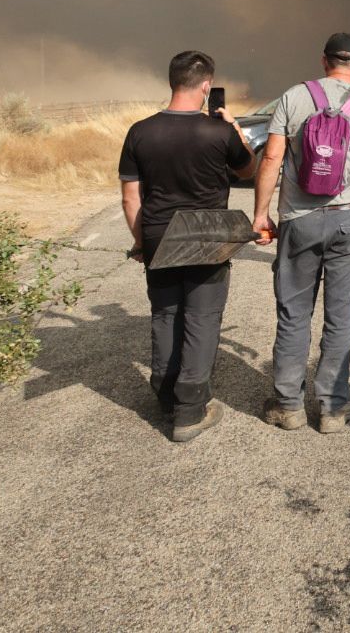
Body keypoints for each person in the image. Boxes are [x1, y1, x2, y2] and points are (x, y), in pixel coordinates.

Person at [252, 32, 350, 434]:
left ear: (324, 61)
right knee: (341, 318)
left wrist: (260, 214)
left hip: (300, 220)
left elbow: (271, 157)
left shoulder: (295, 97)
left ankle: (288, 406)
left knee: (293, 314)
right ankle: (333, 409)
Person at [118, 50, 255, 443]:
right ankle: (191, 409)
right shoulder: (218, 132)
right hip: (206, 236)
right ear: (207, 86)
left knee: (165, 314)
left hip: (160, 235)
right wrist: (236, 128)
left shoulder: (139, 131)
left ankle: (164, 394)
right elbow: (248, 167)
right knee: (202, 317)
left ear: (172, 82)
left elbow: (131, 199)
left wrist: (141, 243)